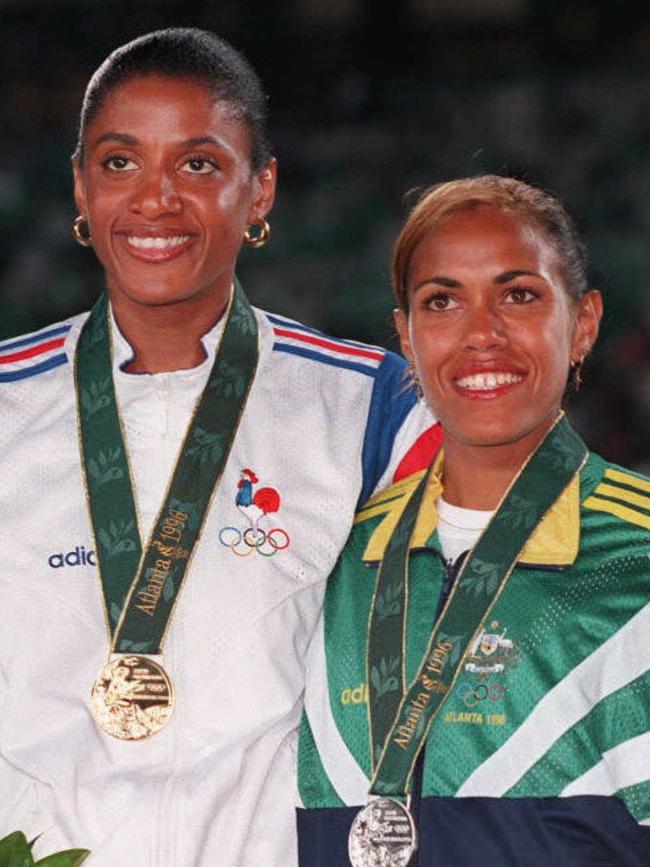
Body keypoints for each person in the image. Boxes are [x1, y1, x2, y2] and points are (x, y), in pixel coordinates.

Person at [0, 28, 435, 866]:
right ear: (81, 188)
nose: (154, 200)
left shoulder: (370, 408)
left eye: (198, 165)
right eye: (119, 163)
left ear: (260, 188)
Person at [297, 175, 650, 866]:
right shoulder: (328, 558)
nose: (481, 333)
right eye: (442, 301)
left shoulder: (637, 555)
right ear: (406, 334)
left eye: (519, 295)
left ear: (582, 323)